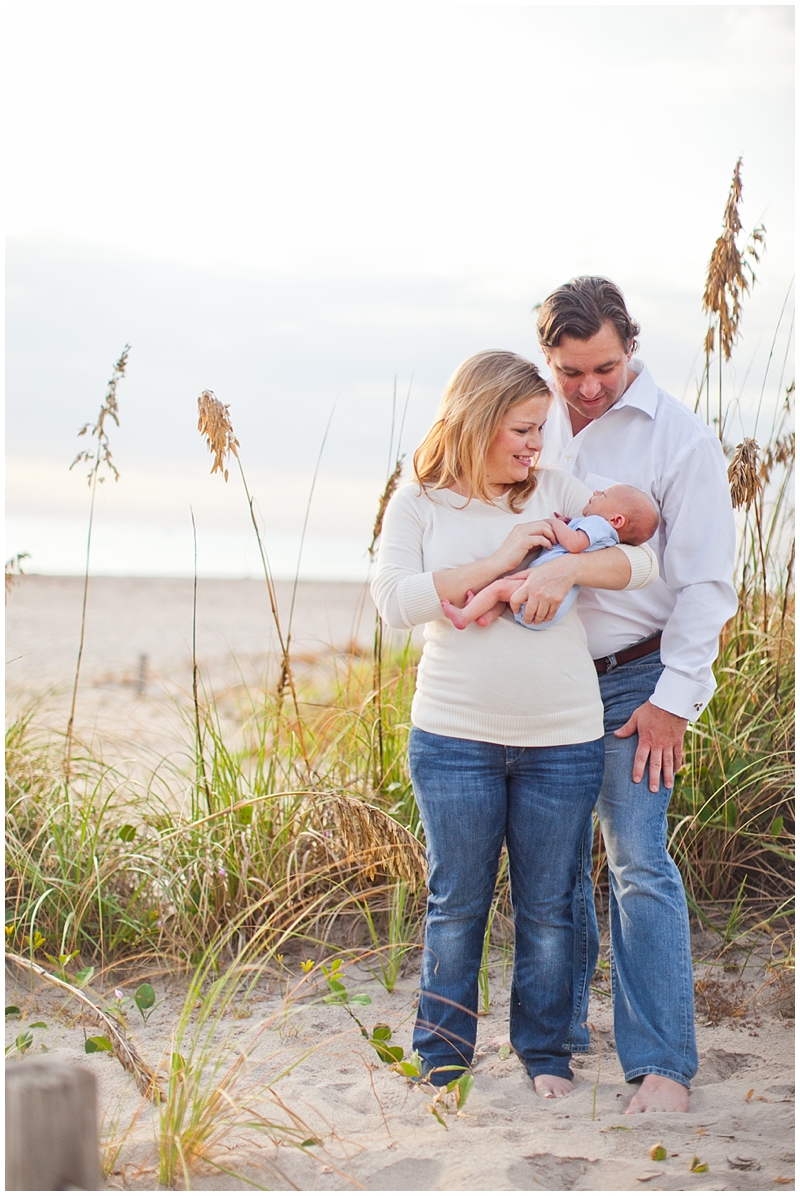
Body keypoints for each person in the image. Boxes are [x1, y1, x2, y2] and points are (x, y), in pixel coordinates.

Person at [371, 349, 657, 1099]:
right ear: (480, 419)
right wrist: (500, 558)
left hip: (561, 738)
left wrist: (565, 569)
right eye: (525, 429)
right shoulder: (421, 501)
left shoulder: (560, 491)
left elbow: (645, 563)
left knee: (551, 906)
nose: (538, 445)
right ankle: (442, 1055)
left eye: (542, 430)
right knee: (456, 902)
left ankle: (544, 1055)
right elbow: (396, 602)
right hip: (452, 737)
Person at [509, 277, 737, 1113]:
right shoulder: (532, 425)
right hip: (545, 675)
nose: (589, 387)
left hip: (641, 679)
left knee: (637, 860)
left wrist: (675, 699)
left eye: (603, 366)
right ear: (550, 362)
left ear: (629, 345)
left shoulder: (679, 438)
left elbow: (709, 584)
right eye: (571, 372)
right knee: (552, 867)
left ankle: (662, 1065)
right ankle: (557, 1049)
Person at [442, 484, 658, 631]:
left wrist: (555, 523)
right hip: (548, 607)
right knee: (503, 589)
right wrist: (569, 523)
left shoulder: (599, 524)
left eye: (602, 495)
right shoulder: (605, 535)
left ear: (617, 520)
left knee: (500, 587)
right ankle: (485, 615)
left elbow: (574, 544)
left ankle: (465, 616)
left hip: (540, 599)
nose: (595, 493)